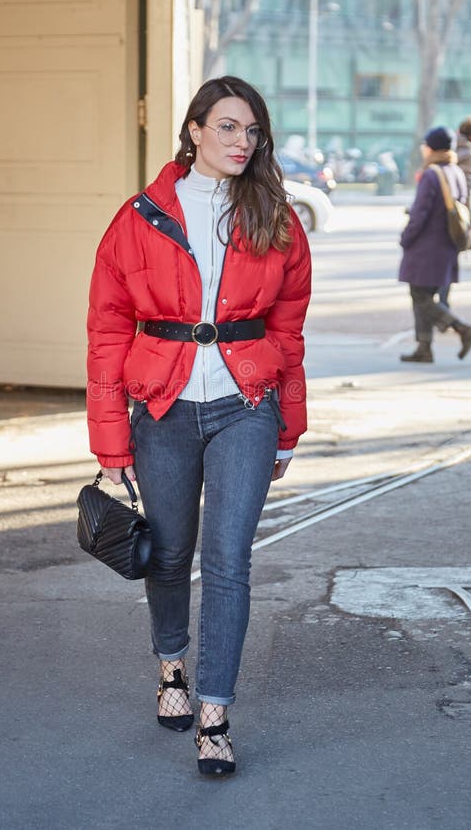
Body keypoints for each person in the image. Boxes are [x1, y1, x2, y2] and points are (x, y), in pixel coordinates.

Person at [85, 76, 311, 777]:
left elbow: (290, 330)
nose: (242, 143)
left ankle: (214, 712)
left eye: (252, 132)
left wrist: (288, 427)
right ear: (193, 131)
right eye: (227, 128)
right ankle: (172, 667)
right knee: (172, 551)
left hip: (246, 406)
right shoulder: (141, 216)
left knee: (228, 561)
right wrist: (109, 440)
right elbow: (106, 329)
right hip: (162, 406)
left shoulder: (277, 217)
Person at [399, 126, 471, 363]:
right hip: (447, 246)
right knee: (425, 295)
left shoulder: (432, 174)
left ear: (431, 148)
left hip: (427, 247)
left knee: (420, 296)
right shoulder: (455, 171)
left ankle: (462, 329)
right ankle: (424, 347)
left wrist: (406, 238)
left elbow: (420, 214)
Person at [439, 115, 471, 306]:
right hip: (455, 215)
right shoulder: (470, 155)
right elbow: (466, 194)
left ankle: (439, 305)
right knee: (448, 260)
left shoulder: (447, 148)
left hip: (438, 211)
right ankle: (442, 306)